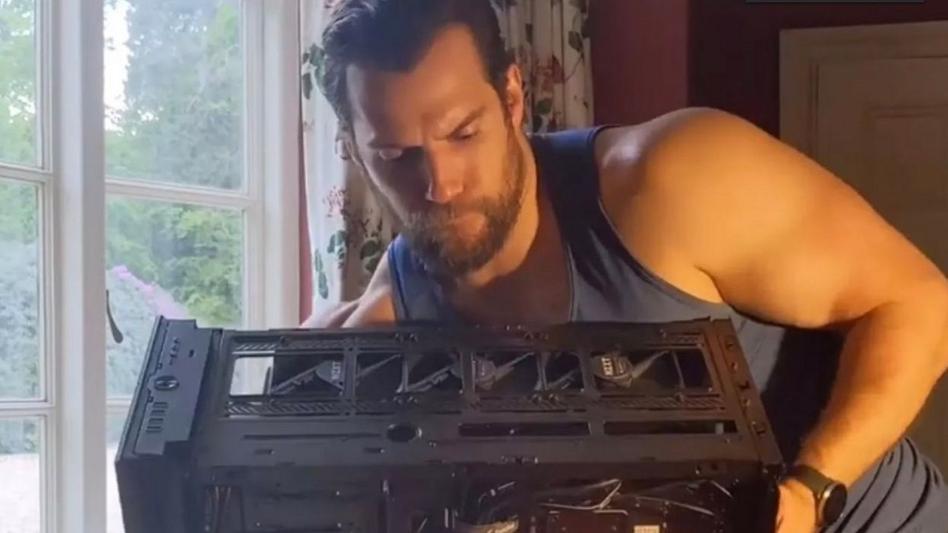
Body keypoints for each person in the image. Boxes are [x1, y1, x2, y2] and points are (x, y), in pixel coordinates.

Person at [302, 0, 948, 531]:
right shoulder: (395, 315)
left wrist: (810, 488)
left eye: (463, 133)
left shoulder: (671, 180)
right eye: (396, 155)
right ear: (355, 152)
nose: (439, 184)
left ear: (513, 96)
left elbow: (921, 302)